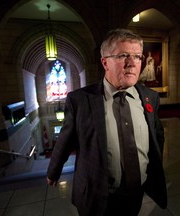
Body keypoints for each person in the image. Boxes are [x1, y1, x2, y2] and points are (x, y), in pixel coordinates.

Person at [46, 28, 167, 215]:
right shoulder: (81, 100)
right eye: (123, 56)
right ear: (105, 62)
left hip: (136, 191)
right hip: (98, 193)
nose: (131, 64)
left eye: (137, 56)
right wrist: (54, 170)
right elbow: (66, 139)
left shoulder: (150, 97)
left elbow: (157, 135)